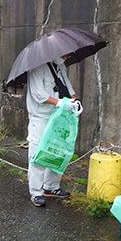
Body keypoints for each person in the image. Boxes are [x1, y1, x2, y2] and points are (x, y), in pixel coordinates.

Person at [26, 55, 82, 207]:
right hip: (41, 117)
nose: (66, 57)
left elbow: (68, 87)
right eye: (64, 54)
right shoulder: (37, 68)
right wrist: (60, 103)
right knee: (38, 153)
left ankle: (51, 187)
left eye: (69, 54)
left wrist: (75, 101)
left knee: (58, 151)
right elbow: (39, 95)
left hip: (60, 117)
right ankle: (36, 192)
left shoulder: (60, 67)